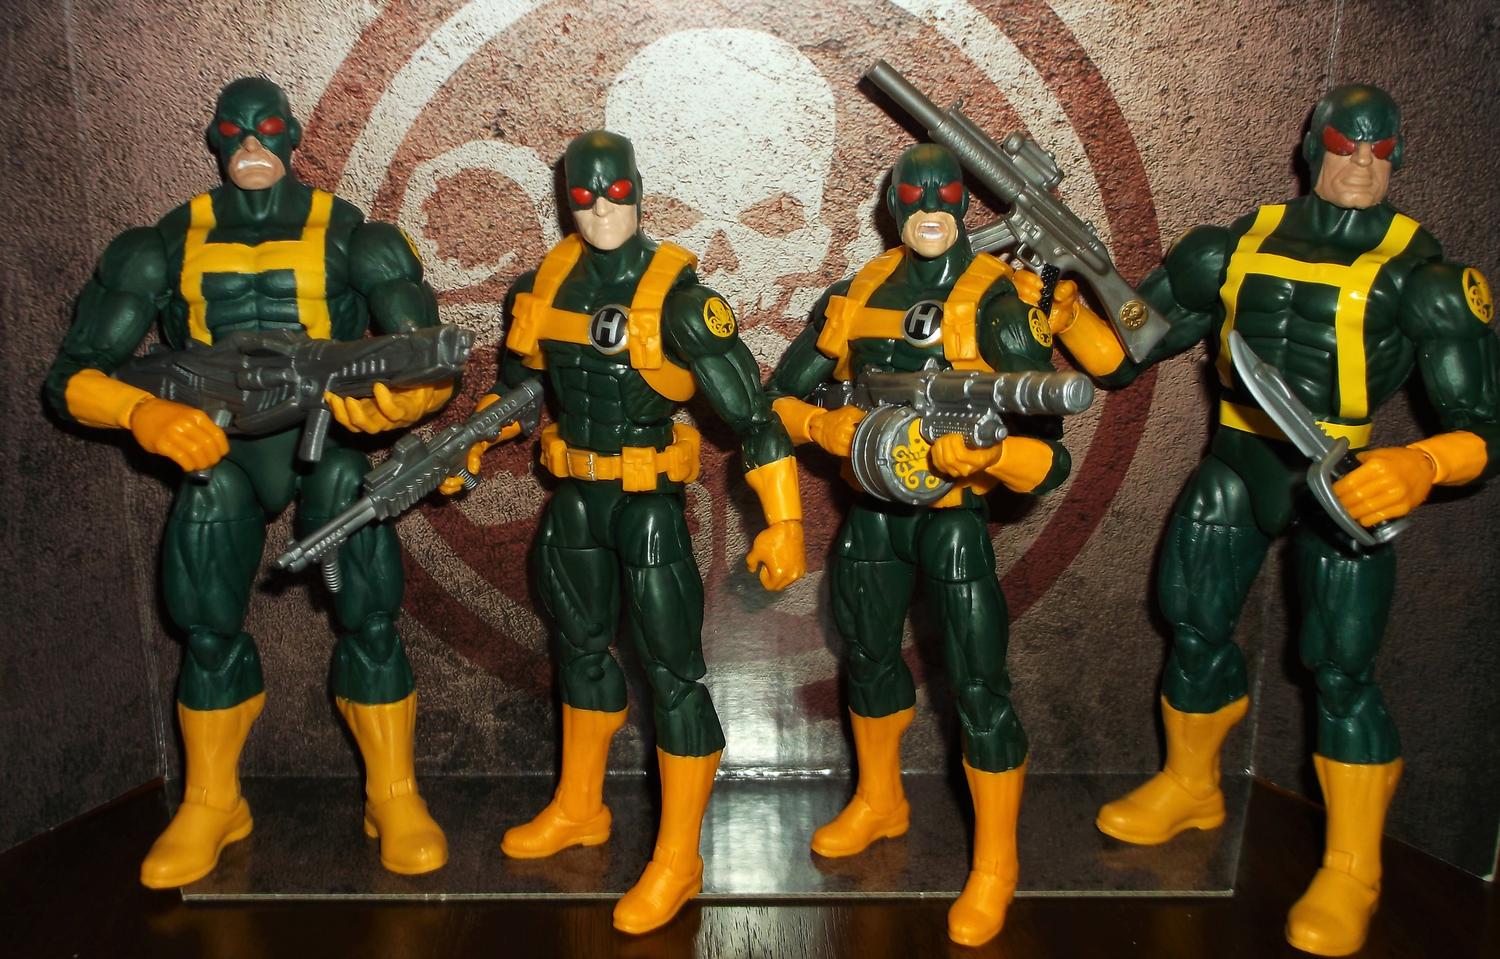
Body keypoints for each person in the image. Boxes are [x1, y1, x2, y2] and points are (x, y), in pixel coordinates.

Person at [1045, 84, 1498, 956]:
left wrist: (1421, 463)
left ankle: (1353, 866)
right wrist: (1071, 314)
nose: (1360, 162)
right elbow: (1130, 351)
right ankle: (1191, 785)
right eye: (1345, 143)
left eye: (1378, 148)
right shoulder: (1229, 247)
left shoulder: (1427, 278)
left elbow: (1485, 425)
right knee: (1191, 621)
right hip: (1237, 457)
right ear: (1312, 145)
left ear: (1399, 155)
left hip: (1342, 481)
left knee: (1341, 670)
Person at [44, 77, 454, 888]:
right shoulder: (164, 243)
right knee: (204, 622)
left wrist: (398, 403)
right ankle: (213, 799)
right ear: (215, 138)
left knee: (369, 605)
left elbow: (428, 357)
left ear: (293, 134)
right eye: (236, 132)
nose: (253, 145)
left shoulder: (355, 236)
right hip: (218, 449)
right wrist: (143, 414)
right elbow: (71, 377)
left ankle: (393, 792)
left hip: (325, 438)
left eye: (267, 128)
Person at [447, 130, 805, 935]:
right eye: (584, 193)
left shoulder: (679, 296)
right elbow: (518, 391)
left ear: (638, 190)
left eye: (615, 191)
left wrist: (784, 522)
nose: (602, 207)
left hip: (647, 506)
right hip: (574, 499)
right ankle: (580, 805)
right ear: (565, 197)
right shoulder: (541, 285)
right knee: (576, 649)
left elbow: (754, 417)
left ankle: (680, 858)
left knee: (673, 674)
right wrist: (470, 440)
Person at [766, 143, 1073, 947]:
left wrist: (990, 457)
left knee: (978, 684)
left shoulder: (995, 298)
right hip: (872, 512)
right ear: (892, 204)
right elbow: (777, 402)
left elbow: (1051, 455)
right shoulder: (857, 292)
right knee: (867, 655)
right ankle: (880, 798)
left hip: (955, 518)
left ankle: (996, 861)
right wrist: (827, 424)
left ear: (966, 204)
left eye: (945, 195)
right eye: (914, 195)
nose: (931, 209)